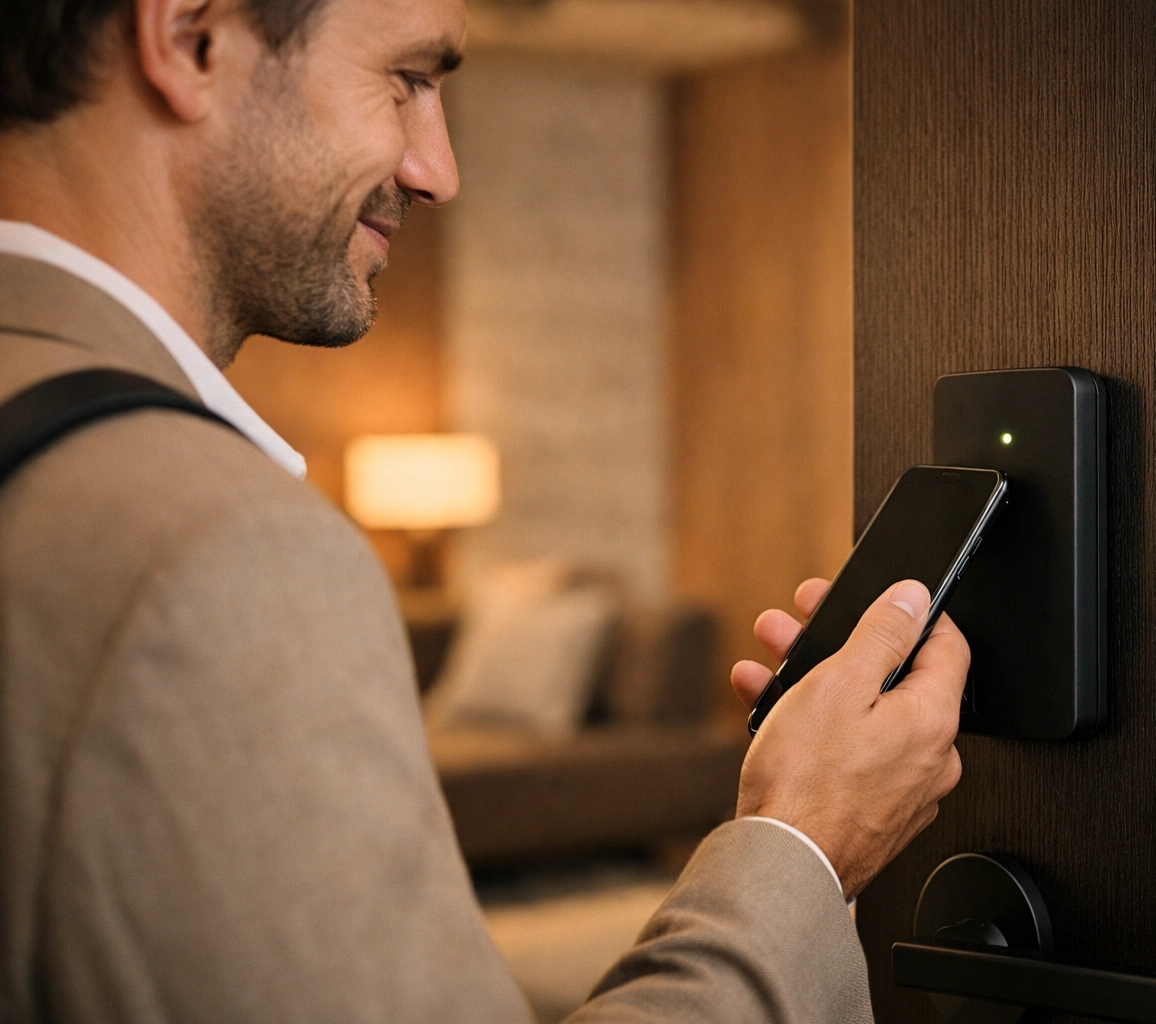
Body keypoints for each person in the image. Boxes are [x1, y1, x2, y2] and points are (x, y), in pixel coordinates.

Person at [0, 0, 969, 1020]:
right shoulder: (219, 554)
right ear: (189, 36)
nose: (438, 172)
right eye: (407, 80)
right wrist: (806, 841)